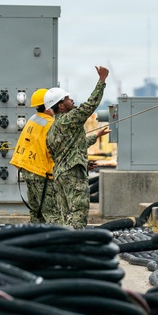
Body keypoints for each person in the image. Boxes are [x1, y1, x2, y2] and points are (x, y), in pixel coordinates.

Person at [45, 66, 111, 229]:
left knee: (65, 216)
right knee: (77, 215)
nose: (72, 100)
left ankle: (63, 246)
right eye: (67, 98)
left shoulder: (53, 129)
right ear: (60, 106)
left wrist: (95, 136)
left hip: (61, 175)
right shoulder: (69, 119)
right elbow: (89, 106)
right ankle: (76, 247)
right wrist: (101, 80)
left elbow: (72, 148)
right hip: (73, 176)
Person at [10, 88, 57, 223]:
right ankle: (53, 240)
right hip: (41, 173)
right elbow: (55, 150)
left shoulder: (34, 119)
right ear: (49, 106)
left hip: (28, 169)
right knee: (51, 213)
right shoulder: (50, 124)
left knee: (36, 211)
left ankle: (35, 239)